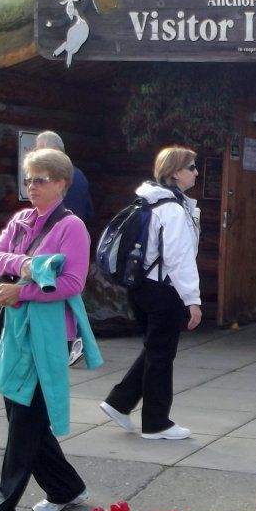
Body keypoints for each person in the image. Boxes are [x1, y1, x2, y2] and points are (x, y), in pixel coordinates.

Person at [0, 148, 98, 511]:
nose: (32, 187)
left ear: (62, 183)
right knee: (24, 419)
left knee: (23, 428)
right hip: (15, 333)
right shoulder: (21, 220)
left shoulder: (73, 227)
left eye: (40, 179)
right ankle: (66, 487)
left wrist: (19, 288)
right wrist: (31, 266)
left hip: (48, 339)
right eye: (28, 179)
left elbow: (72, 282)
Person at [100, 146, 201, 441]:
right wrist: (193, 300)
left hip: (141, 287)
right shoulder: (172, 209)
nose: (196, 172)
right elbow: (179, 258)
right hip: (162, 290)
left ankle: (119, 402)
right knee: (161, 355)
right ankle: (156, 423)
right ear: (175, 173)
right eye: (191, 167)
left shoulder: (149, 203)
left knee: (155, 349)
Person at [36, 130, 94, 224]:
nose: (36, 155)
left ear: (53, 150)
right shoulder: (80, 175)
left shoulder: (48, 178)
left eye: (39, 150)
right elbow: (89, 213)